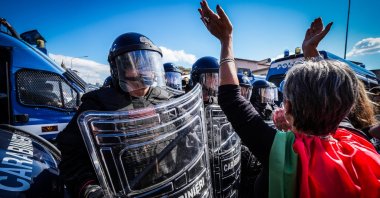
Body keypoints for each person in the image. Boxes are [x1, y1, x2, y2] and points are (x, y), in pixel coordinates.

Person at [198, 1, 380, 198]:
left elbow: (231, 98)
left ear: (289, 106)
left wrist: (226, 40)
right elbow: (330, 95)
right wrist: (311, 52)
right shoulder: (356, 142)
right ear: (344, 109)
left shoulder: (279, 150)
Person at [57, 32, 180, 198]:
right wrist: (89, 188)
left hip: (172, 189)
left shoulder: (167, 100)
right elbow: (71, 157)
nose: (143, 71)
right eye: (135, 64)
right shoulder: (97, 106)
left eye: (148, 64)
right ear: (118, 68)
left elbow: (189, 142)